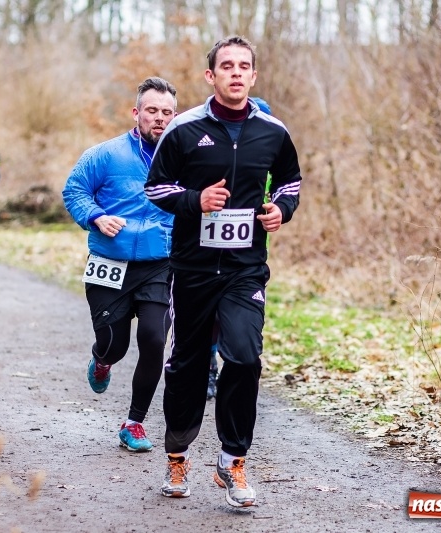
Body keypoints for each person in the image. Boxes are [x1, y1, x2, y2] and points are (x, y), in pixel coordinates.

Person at [145, 36, 302, 507]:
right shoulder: (184, 130)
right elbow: (156, 189)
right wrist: (196, 201)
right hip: (192, 268)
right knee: (187, 365)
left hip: (245, 269)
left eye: (244, 66)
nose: (236, 72)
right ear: (211, 76)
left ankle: (233, 460)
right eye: (227, 66)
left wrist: (282, 209)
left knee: (243, 357)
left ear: (254, 76)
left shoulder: (273, 131)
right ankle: (177, 456)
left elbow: (291, 180)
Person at [62, 77, 177, 452]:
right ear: (137, 112)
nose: (159, 118)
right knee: (114, 345)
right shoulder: (106, 155)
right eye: (152, 111)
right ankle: (101, 360)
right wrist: (95, 216)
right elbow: (74, 189)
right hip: (110, 261)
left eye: (167, 112)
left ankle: (134, 423)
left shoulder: (183, 159)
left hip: (159, 264)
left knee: (155, 340)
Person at [206, 96, 273, 401]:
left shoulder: (270, 156)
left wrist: (276, 209)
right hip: (205, 252)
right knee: (210, 316)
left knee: (236, 317)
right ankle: (207, 364)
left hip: (247, 255)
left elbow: (284, 190)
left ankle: (229, 366)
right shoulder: (212, 149)